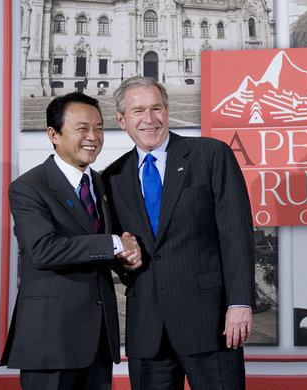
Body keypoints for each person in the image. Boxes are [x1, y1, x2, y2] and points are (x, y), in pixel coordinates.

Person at [102, 76, 256, 389]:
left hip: (209, 324)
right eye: (138, 111)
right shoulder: (112, 177)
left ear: (167, 111)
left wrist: (240, 303)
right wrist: (123, 261)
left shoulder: (211, 155)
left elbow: (236, 234)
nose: (149, 119)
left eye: (156, 108)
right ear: (121, 120)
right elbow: (122, 249)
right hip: (148, 331)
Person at [0, 92, 142, 389]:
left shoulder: (100, 183)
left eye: (99, 128)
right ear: (53, 134)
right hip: (50, 342)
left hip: (98, 342)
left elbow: (112, 246)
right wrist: (115, 244)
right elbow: (43, 250)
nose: (93, 137)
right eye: (82, 128)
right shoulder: (29, 187)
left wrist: (128, 258)